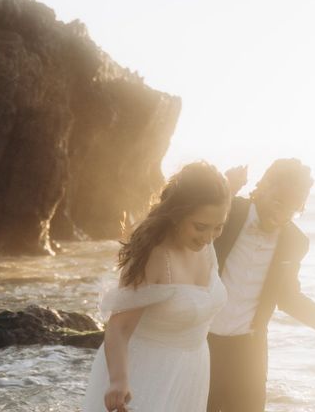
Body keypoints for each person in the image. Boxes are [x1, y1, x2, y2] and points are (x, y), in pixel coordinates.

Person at [207, 158, 315, 412]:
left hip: (248, 353)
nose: (280, 216)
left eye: (292, 209)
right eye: (278, 202)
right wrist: (225, 188)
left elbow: (288, 298)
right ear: (263, 186)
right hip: (201, 342)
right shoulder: (229, 211)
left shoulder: (295, 241)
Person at [83, 161, 231, 412]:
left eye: (219, 227)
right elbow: (119, 327)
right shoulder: (155, 256)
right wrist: (118, 381)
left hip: (191, 371)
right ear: (178, 214)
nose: (208, 237)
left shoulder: (206, 246)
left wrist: (231, 185)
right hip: (145, 372)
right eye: (200, 227)